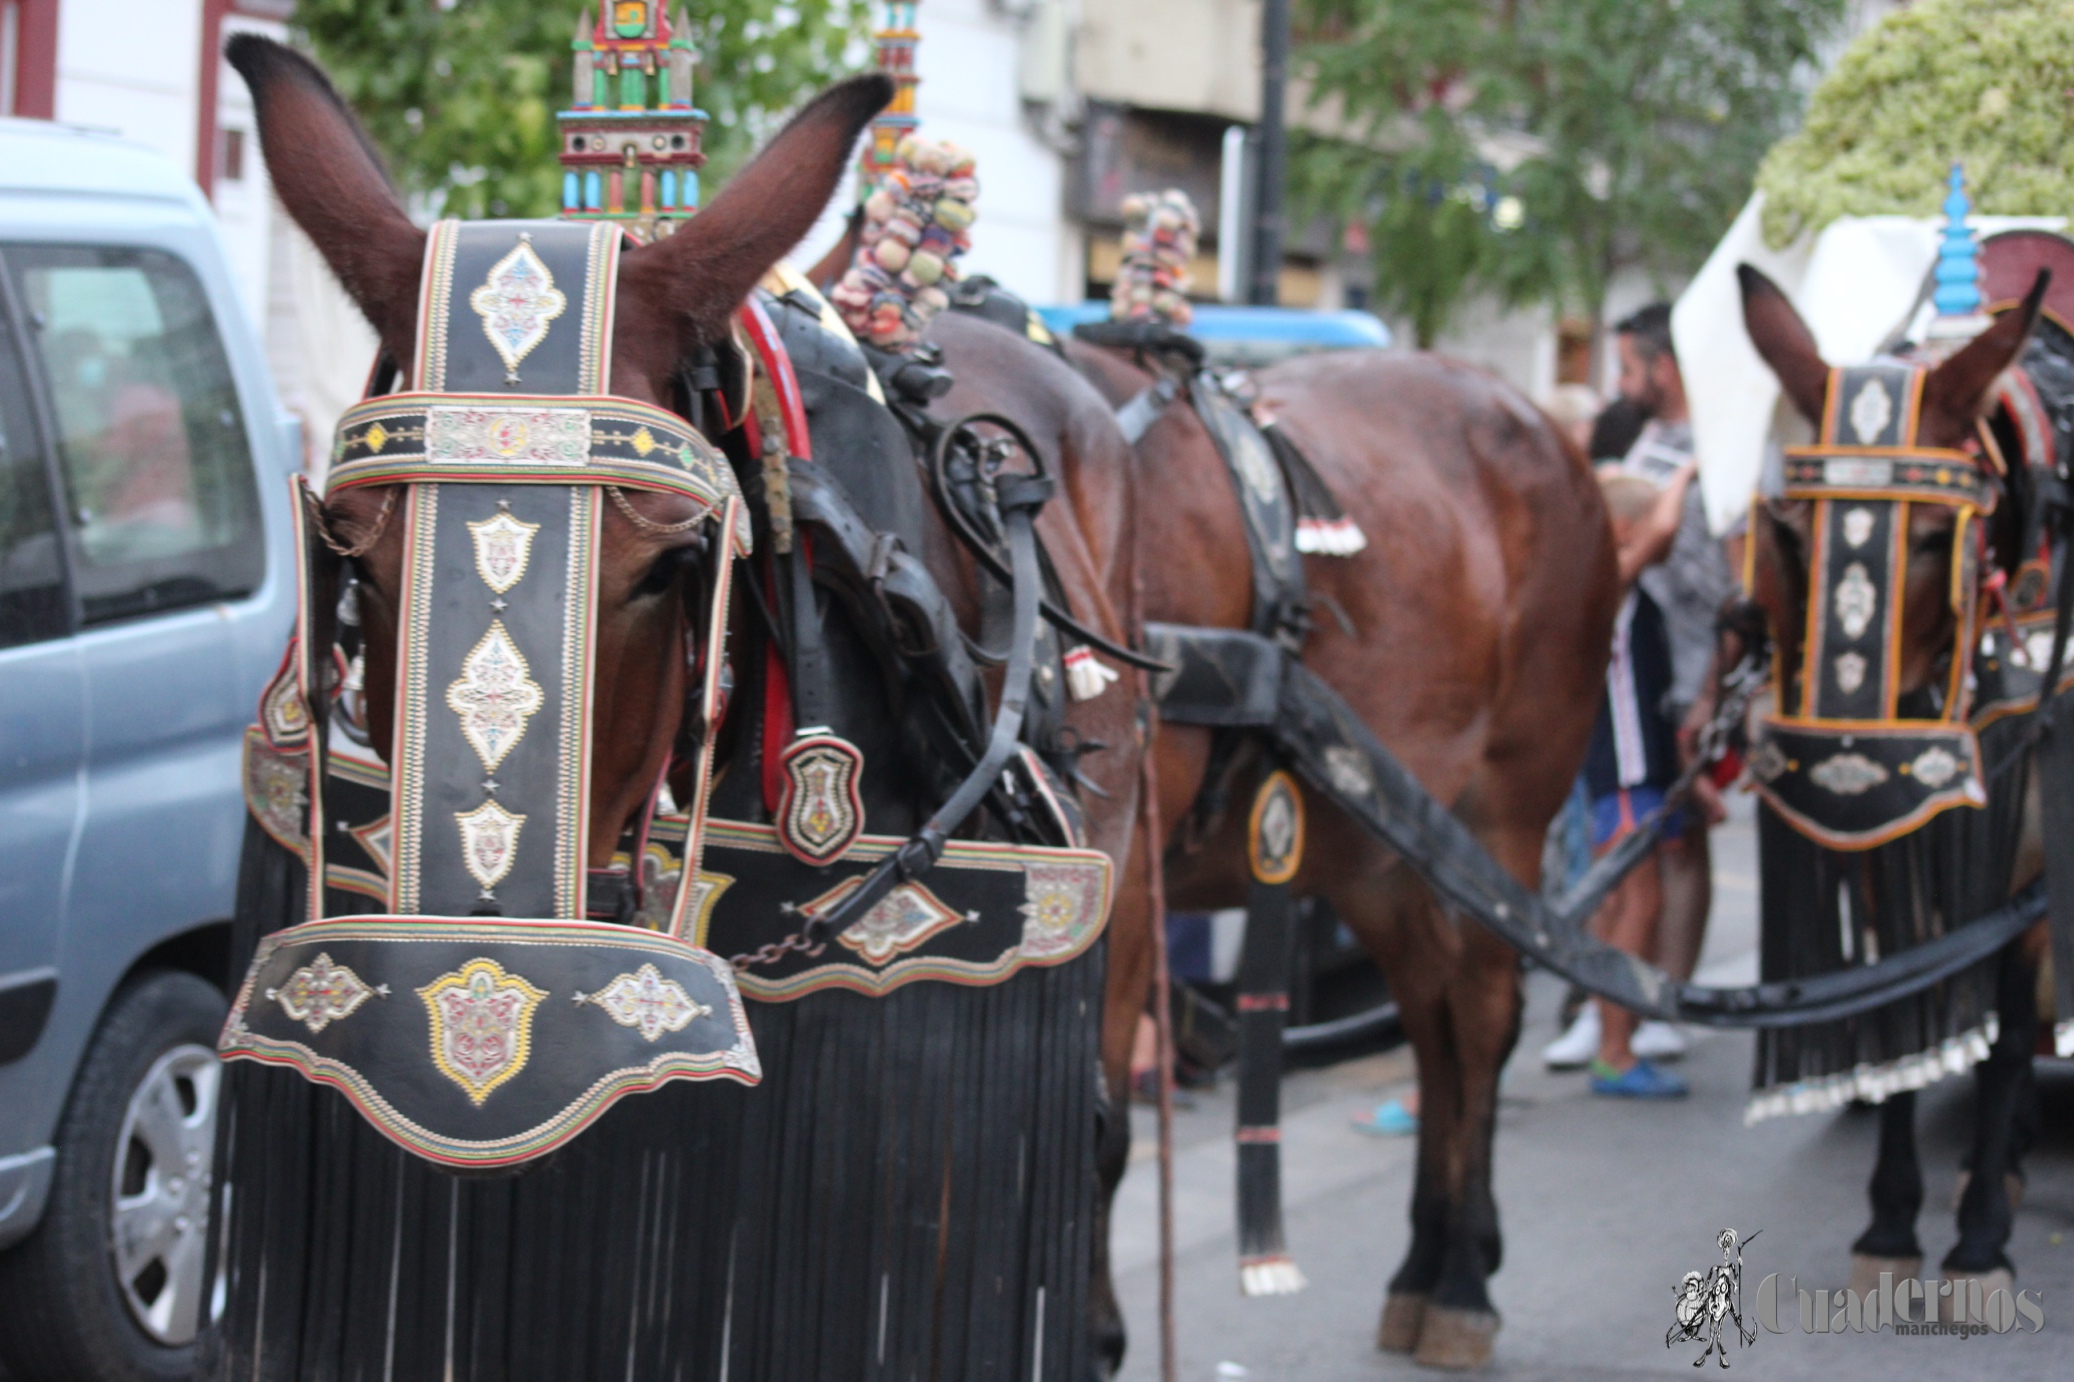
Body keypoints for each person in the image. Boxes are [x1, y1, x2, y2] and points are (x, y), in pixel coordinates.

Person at [1546, 466, 1696, 1098]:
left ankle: (1609, 1037)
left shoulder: (1601, 586)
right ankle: (1614, 1048)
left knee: (1619, 901)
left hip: (1631, 769)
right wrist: (1688, 471)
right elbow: (1661, 528)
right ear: (1625, 530)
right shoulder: (1607, 580)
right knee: (1637, 903)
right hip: (1625, 771)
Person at [1613, 304, 1733, 1055]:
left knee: (1681, 838)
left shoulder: (1719, 451)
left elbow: (1734, 583)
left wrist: (1711, 692)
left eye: (1630, 366)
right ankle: (1624, 996)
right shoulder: (1649, 441)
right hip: (1636, 668)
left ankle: (1669, 996)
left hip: (1688, 672)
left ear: (1666, 368)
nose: (1622, 383)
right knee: (1641, 837)